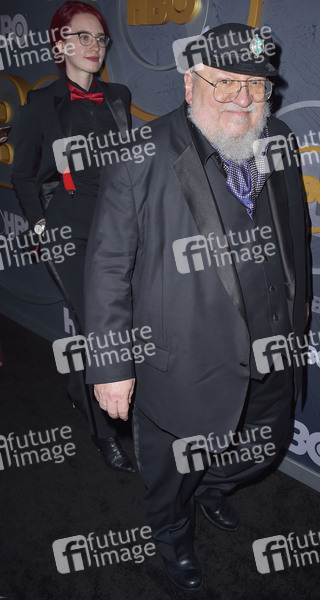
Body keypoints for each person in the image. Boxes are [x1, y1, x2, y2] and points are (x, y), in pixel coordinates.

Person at [84, 23, 312, 590]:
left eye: (256, 85)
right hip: (184, 361)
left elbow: (295, 233)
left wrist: (298, 311)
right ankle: (172, 534)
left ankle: (213, 486)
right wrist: (111, 365)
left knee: (263, 447)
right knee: (172, 476)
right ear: (190, 85)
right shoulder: (141, 152)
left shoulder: (279, 137)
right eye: (226, 82)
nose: (243, 97)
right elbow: (108, 263)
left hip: (273, 348)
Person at [11, 1, 135, 473]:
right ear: (59, 45)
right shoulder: (40, 104)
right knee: (98, 328)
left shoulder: (118, 96)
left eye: (100, 38)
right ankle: (104, 434)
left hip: (116, 226)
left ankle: (76, 387)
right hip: (67, 230)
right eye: (82, 36)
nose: (94, 45)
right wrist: (42, 227)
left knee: (112, 323)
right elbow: (22, 175)